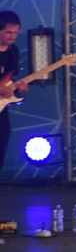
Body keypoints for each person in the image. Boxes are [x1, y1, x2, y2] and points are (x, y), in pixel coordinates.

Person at [0, 10, 29, 172]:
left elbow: (11, 79)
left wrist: (19, 89)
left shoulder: (13, 52)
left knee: (3, 137)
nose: (12, 37)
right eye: (8, 32)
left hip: (1, 106)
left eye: (16, 33)